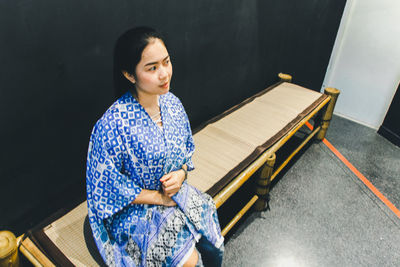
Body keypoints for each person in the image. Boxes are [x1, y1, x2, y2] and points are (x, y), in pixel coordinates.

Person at [86, 26, 224, 267]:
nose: (164, 74)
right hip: (133, 209)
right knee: (188, 260)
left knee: (209, 232)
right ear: (130, 75)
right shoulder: (112, 124)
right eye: (152, 68)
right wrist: (158, 198)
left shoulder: (173, 104)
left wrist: (180, 175)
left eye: (166, 62)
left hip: (174, 194)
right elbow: (105, 187)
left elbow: (185, 153)